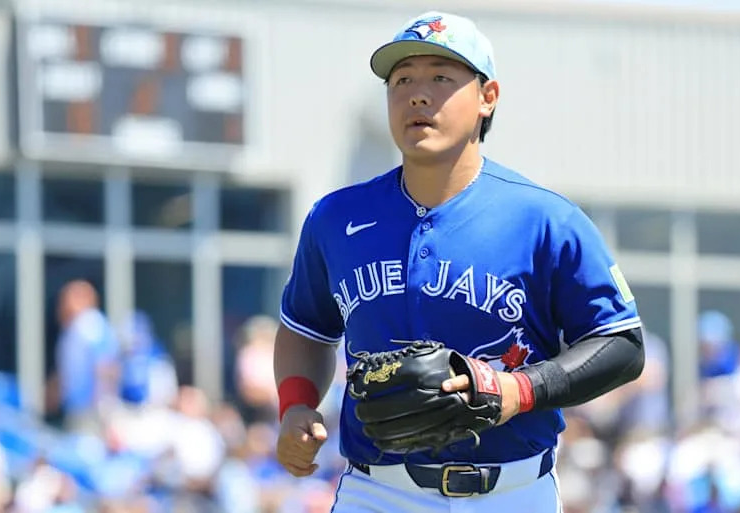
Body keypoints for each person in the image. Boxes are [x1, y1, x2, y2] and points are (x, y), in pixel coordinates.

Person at [273, 11, 645, 511]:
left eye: (441, 78)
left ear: (487, 97)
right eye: (402, 79)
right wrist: (295, 404)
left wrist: (521, 388)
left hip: (513, 492)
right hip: (379, 492)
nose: (418, 95)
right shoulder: (336, 218)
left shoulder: (544, 220)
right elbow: (306, 329)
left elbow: (621, 344)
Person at [52, 280, 120, 432]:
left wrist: (105, 405)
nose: (62, 306)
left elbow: (106, 365)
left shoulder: (90, 324)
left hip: (92, 411)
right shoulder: (73, 328)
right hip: (78, 408)